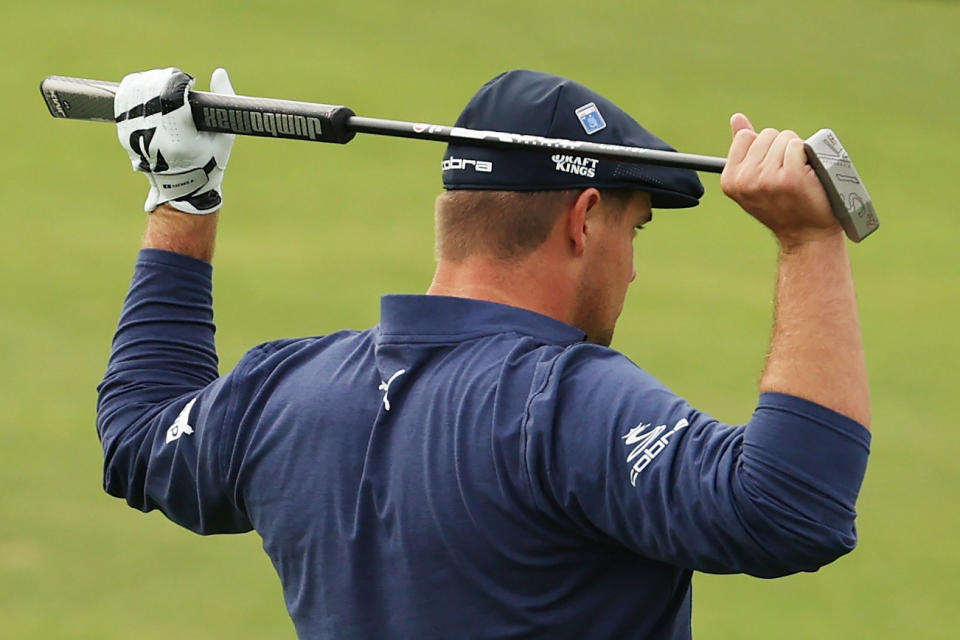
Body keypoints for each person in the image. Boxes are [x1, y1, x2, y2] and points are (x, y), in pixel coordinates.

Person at [99, 67, 871, 639]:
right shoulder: (561, 405)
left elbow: (140, 435)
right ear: (583, 218)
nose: (631, 267)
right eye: (634, 232)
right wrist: (807, 243)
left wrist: (182, 197)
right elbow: (792, 509)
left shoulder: (286, 392)